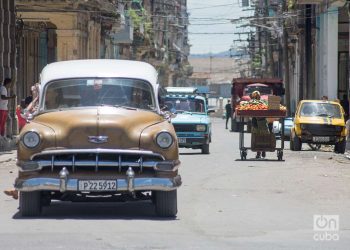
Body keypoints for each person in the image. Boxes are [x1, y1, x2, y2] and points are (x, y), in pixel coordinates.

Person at [250, 91, 269, 159]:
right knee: (260, 136)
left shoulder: (262, 102)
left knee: (260, 136)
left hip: (261, 121)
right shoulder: (253, 103)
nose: (257, 97)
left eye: (257, 96)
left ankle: (261, 151)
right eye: (256, 96)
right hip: (258, 122)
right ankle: (260, 152)